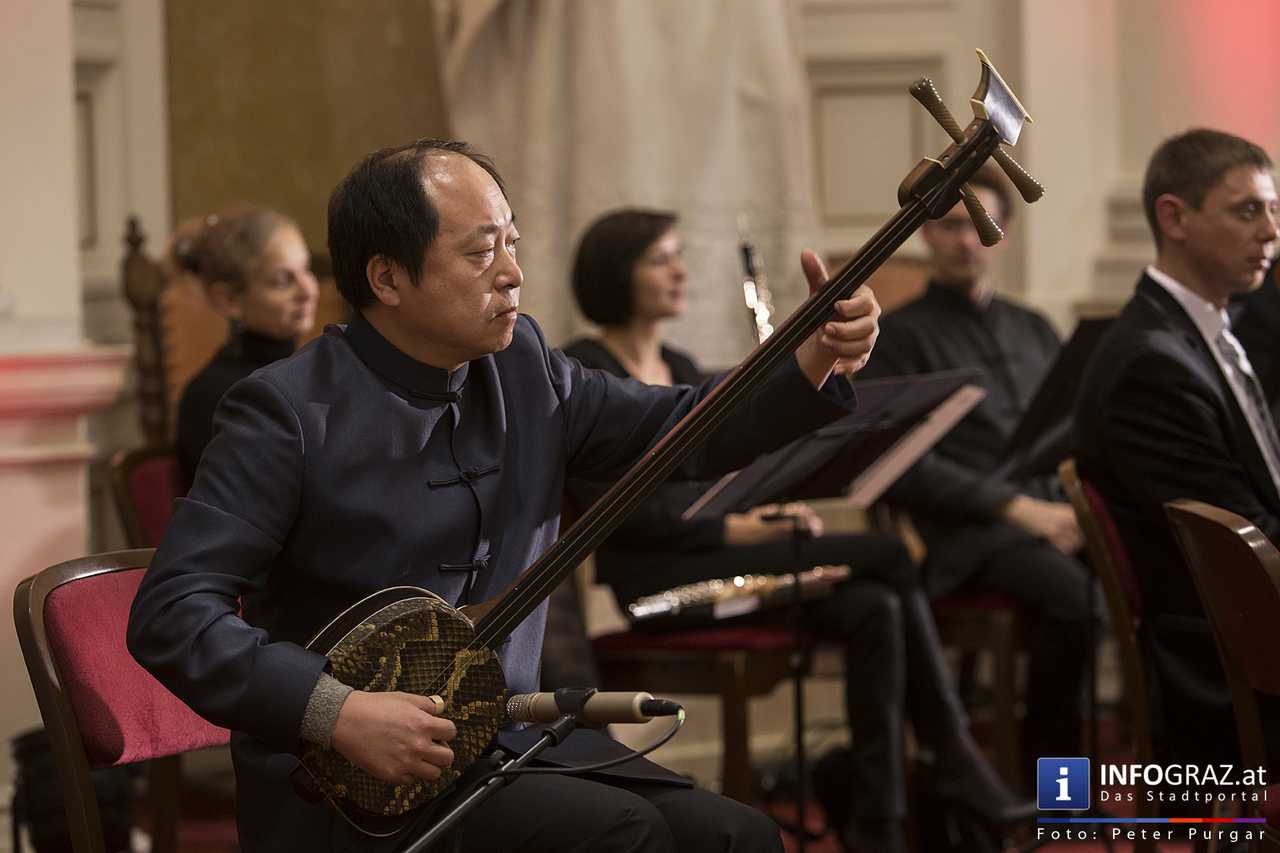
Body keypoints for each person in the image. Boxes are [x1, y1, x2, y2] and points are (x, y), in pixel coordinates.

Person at [125, 139, 882, 853]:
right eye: (480, 251)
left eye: (512, 243)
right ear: (387, 279)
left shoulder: (524, 365)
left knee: (736, 836)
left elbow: (681, 430)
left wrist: (810, 357)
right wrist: (337, 709)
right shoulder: (287, 410)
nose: (512, 272)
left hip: (505, 738)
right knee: (621, 832)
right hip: (349, 780)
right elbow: (172, 612)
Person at [564, 208, 1032, 853]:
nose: (680, 271)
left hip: (721, 571)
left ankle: (880, 822)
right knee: (888, 554)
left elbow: (723, 475)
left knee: (873, 608)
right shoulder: (584, 368)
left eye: (677, 255)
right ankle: (951, 752)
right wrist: (742, 532)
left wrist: (765, 511)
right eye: (660, 259)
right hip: (656, 590)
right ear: (615, 274)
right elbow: (629, 514)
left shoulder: (680, 361)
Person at [857, 168, 1098, 778]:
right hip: (968, 535)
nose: (965, 241)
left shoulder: (1034, 328)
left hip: (1055, 516)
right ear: (927, 236)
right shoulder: (899, 337)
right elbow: (899, 466)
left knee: (1164, 573)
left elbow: (1073, 434)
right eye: (949, 226)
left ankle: (1184, 779)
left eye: (978, 226)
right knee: (1078, 602)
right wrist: (1016, 509)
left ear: (1002, 235)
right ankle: (1055, 789)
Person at [1074, 128, 1280, 769]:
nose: (1271, 234)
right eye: (1248, 211)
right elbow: (1243, 550)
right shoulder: (1151, 363)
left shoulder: (1196, 333)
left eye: (1275, 212)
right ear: (1174, 217)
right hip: (1226, 671)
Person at [171, 207, 320, 482]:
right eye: (282, 280)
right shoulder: (216, 395)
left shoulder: (319, 370)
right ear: (229, 300)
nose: (308, 290)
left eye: (306, 270)